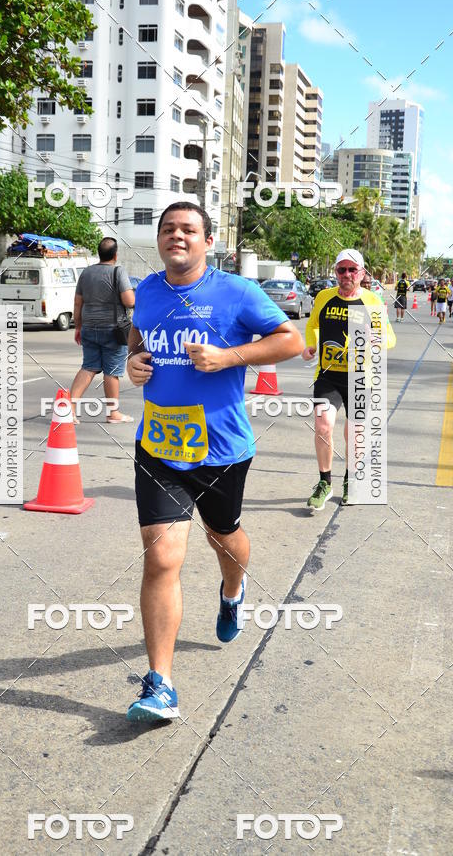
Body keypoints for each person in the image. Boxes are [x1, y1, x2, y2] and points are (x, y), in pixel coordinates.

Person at [125, 202, 304, 721]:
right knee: (161, 557)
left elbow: (290, 340)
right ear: (158, 240)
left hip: (221, 449)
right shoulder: (149, 291)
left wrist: (228, 357)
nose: (176, 236)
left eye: (188, 230)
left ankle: (233, 589)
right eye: (168, 230)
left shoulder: (237, 292)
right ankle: (160, 684)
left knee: (223, 536)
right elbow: (138, 339)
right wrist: (133, 362)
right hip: (159, 447)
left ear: (207, 241)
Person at [302, 249, 396, 510]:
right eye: (341, 269)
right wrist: (310, 345)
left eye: (352, 270)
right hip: (327, 376)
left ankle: (350, 481)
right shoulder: (323, 297)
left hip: (360, 378)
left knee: (354, 433)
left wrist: (374, 338)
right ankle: (324, 482)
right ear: (335, 272)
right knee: (323, 426)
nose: (346, 275)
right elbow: (312, 325)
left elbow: (390, 339)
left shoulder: (373, 302)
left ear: (362, 273)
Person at [70, 237, 135, 423]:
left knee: (89, 366)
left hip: (89, 327)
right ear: (115, 254)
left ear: (99, 253)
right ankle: (113, 413)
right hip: (113, 329)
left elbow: (77, 302)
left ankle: (70, 409)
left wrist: (78, 326)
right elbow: (129, 301)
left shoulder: (87, 272)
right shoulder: (118, 271)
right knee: (112, 371)